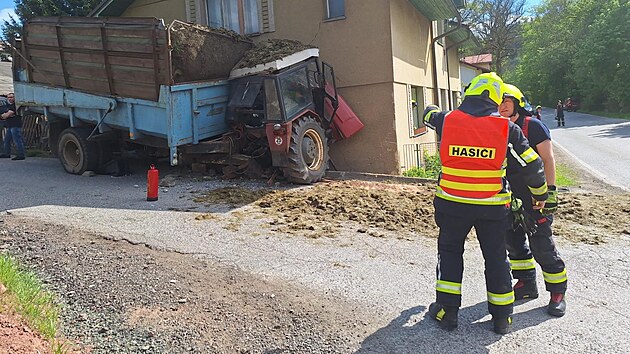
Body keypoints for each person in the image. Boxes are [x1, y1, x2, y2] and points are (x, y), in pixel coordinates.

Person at [422, 72, 548, 334]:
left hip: (451, 205)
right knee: (496, 257)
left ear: (469, 94)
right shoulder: (507, 128)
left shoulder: (447, 120)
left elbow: (427, 115)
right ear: (494, 98)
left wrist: (433, 107)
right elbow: (534, 165)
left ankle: (447, 311)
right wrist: (540, 195)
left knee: (450, 254)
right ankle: (502, 317)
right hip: (492, 208)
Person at [500, 84, 567, 317]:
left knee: (542, 246)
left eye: (507, 101)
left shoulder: (533, 126)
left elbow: (547, 160)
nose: (502, 106)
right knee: (514, 243)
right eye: (499, 101)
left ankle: (558, 292)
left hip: (535, 198)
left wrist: (549, 193)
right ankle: (526, 284)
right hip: (509, 198)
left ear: (518, 103)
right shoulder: (497, 127)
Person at [0, 93, 26, 160]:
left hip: (15, 126)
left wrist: (5, 115)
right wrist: (6, 115)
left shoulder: (15, 105)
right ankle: (7, 154)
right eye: (8, 97)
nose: (10, 99)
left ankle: (21, 155)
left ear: (15, 98)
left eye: (11, 97)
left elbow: (7, 115)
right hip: (10, 126)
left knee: (17, 140)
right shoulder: (9, 106)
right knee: (6, 140)